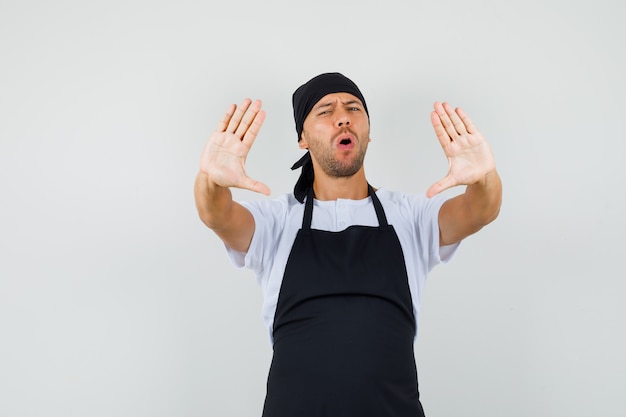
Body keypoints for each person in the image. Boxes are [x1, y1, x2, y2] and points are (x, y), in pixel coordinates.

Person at [194, 72, 502, 417]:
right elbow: (217, 214)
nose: (343, 116)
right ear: (303, 139)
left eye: (354, 108)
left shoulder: (411, 217)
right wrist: (211, 181)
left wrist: (484, 178)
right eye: (325, 111)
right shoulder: (276, 221)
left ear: (368, 132)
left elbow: (480, 209)